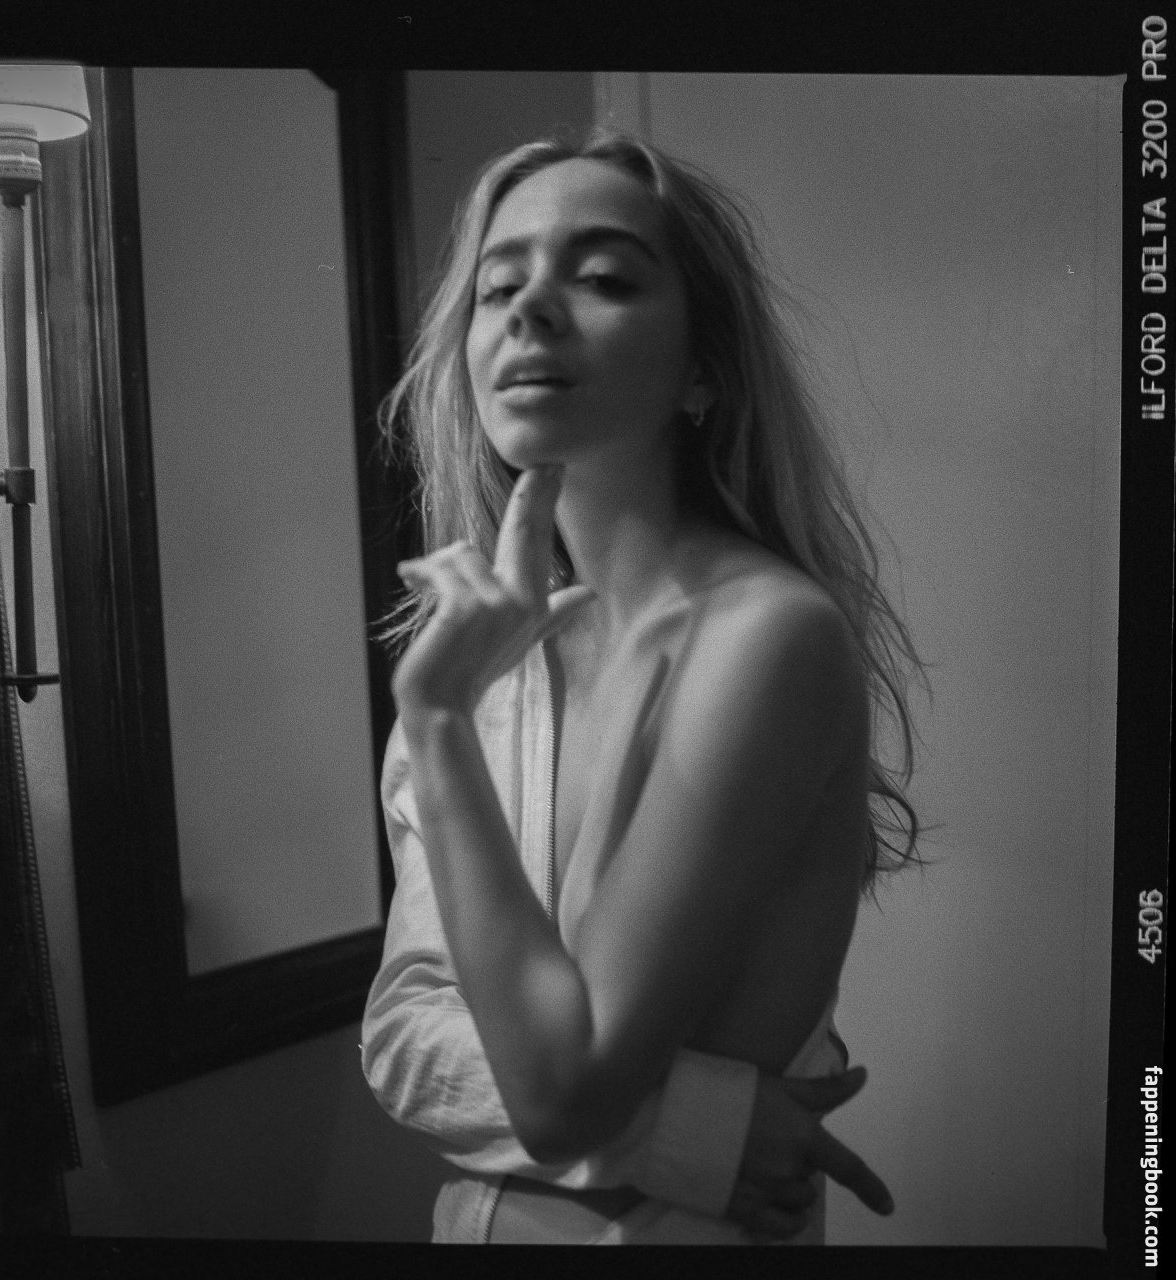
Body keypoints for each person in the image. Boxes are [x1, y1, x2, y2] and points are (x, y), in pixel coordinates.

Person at [361, 129, 925, 1245]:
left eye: (605, 277)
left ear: (705, 368)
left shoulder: (766, 637)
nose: (530, 310)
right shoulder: (483, 661)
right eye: (497, 287)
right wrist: (696, 1130)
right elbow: (404, 1036)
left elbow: (561, 1091)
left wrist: (431, 719)